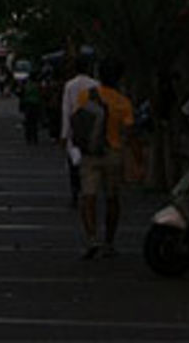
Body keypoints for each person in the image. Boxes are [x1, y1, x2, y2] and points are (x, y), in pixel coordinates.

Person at [76, 55, 141, 259]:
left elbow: (79, 121)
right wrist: (138, 159)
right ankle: (109, 242)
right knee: (112, 199)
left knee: (88, 196)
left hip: (90, 152)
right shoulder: (123, 103)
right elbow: (130, 133)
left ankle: (91, 238)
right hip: (113, 153)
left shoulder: (86, 95)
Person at [60, 53, 98, 208]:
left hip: (75, 129)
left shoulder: (70, 85)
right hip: (93, 127)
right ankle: (87, 192)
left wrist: (64, 134)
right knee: (89, 162)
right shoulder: (96, 85)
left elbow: (66, 110)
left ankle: (76, 193)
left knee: (73, 164)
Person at [21, 75, 43, 145]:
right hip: (36, 105)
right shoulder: (38, 86)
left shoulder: (27, 86)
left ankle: (29, 138)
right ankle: (35, 138)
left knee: (28, 122)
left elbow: (24, 95)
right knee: (34, 122)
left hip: (29, 105)